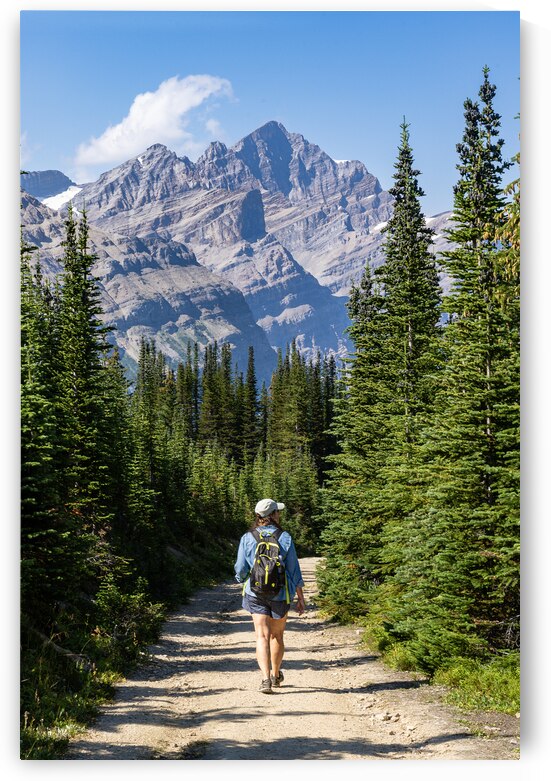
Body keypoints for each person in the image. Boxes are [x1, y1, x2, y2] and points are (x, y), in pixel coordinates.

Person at [234, 498, 305, 694]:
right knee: (277, 635)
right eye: (277, 512)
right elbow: (293, 570)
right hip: (280, 592)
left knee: (261, 636)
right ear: (273, 515)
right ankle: (275, 675)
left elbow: (240, 568)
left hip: (255, 592)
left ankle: (265, 679)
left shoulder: (248, 537)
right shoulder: (285, 537)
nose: (279, 515)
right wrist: (300, 597)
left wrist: (243, 579)